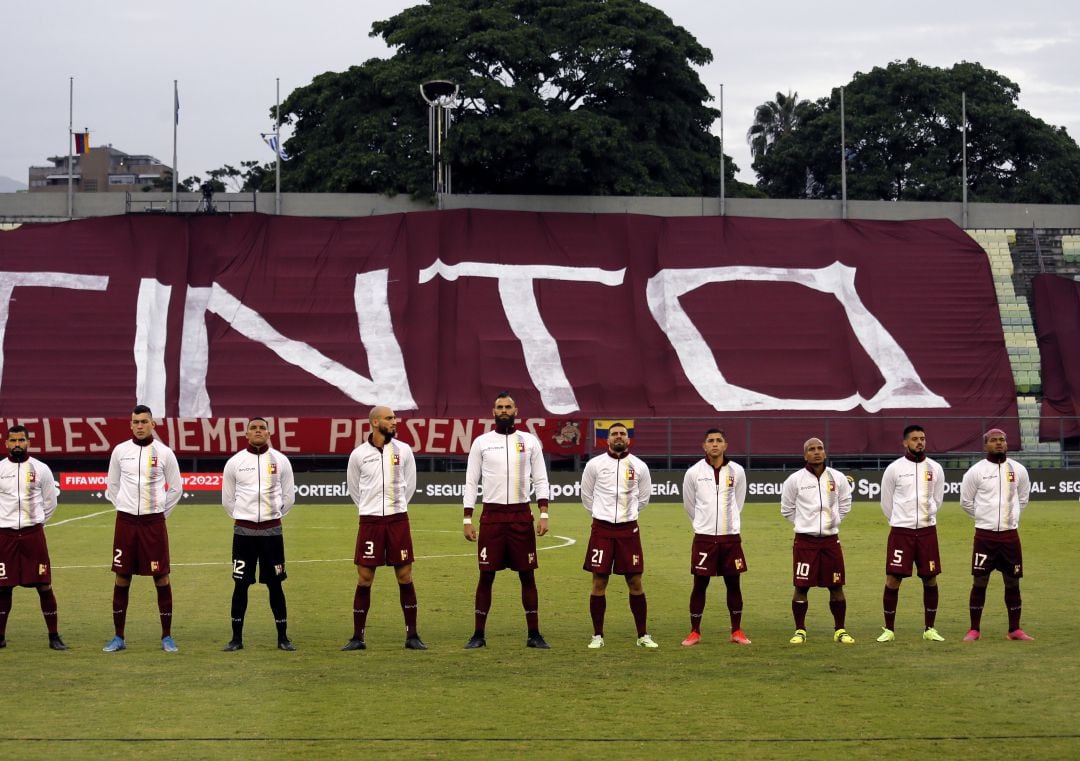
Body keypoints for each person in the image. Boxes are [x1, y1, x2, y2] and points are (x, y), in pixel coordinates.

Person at [462, 392, 551, 649]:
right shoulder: (482, 442)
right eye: (499, 406)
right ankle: (478, 635)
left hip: (522, 516)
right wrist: (467, 518)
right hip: (492, 516)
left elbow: (541, 478)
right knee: (486, 575)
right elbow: (471, 481)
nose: (503, 410)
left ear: (516, 410)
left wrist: (543, 513)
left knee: (527, 576)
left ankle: (534, 635)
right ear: (493, 411)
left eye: (508, 407)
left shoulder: (530, 441)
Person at [343, 406, 425, 651]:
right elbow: (354, 488)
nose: (394, 422)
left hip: (397, 520)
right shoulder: (358, 454)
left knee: (405, 576)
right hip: (370, 522)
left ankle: (412, 635)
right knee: (365, 578)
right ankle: (358, 637)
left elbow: (409, 485)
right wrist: (370, 509)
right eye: (389, 418)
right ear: (375, 422)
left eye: (394, 418)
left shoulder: (403, 451)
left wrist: (394, 508)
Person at [103, 405, 184, 652]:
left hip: (153, 524)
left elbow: (176, 489)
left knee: (161, 577)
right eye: (135, 422)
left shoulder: (165, 453)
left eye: (144, 421)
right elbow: (112, 486)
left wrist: (159, 515)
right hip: (126, 523)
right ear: (130, 425)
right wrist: (126, 509)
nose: (139, 426)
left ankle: (166, 636)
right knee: (122, 576)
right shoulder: (120, 451)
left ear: (153, 424)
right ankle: (118, 637)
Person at [221, 417, 296, 652]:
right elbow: (228, 501)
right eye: (253, 428)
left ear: (268, 432)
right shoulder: (235, 463)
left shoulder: (281, 461)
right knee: (240, 585)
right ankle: (236, 639)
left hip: (272, 534)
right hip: (243, 535)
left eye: (262, 428)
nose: (258, 431)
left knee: (275, 585)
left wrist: (270, 517)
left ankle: (283, 638)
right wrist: (246, 517)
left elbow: (288, 497)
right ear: (246, 434)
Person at [581, 422, 657, 649]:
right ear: (607, 439)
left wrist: (627, 516)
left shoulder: (640, 466)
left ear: (628, 439)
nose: (618, 437)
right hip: (602, 530)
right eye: (614, 434)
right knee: (599, 581)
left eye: (622, 434)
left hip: (628, 531)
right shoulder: (594, 465)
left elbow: (643, 498)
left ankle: (643, 635)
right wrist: (601, 516)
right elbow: (586, 496)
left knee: (635, 581)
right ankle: (597, 636)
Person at [959, 428, 1033, 641]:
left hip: (1010, 537)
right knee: (980, 581)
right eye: (994, 440)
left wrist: (1010, 518)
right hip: (984, 537)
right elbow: (966, 502)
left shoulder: (1018, 470)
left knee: (1013, 582)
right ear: (985, 446)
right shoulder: (975, 472)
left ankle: (1014, 630)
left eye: (1002, 440)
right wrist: (985, 517)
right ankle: (974, 629)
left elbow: (1023, 499)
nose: (999, 443)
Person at [780, 437, 854, 645]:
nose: (816, 452)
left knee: (836, 586)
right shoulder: (795, 480)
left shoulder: (838, 478)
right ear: (805, 455)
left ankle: (840, 629)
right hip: (805, 542)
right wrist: (806, 524)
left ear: (825, 452)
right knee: (801, 586)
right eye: (811, 449)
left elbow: (845, 504)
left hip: (831, 541)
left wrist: (833, 521)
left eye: (820, 448)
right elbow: (787, 509)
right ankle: (800, 630)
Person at [681, 428, 751, 647]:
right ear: (704, 446)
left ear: (725, 445)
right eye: (710, 441)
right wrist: (704, 524)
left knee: (734, 584)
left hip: (730, 538)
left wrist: (727, 524)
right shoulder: (693, 472)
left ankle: (737, 630)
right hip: (704, 538)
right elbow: (689, 505)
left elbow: (738, 502)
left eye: (719, 440)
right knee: (699, 585)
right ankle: (694, 632)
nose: (714, 444)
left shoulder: (737, 471)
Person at [877, 424, 946, 643]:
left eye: (922, 438)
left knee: (930, 578)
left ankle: (930, 629)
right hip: (901, 533)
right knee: (893, 579)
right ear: (905, 442)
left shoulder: (935, 468)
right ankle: (889, 629)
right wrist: (900, 521)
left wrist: (926, 517)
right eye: (915, 439)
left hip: (927, 532)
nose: (920, 442)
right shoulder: (894, 469)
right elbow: (886, 503)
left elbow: (937, 500)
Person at [0, 425, 66, 650]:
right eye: (13, 440)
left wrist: (35, 523)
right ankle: (0, 636)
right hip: (5, 536)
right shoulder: (0, 469)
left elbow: (50, 503)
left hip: (32, 535)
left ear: (28, 442)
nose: (17, 444)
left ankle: (54, 636)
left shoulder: (41, 469)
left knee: (44, 585)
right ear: (6, 443)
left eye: (21, 440)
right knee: (3, 587)